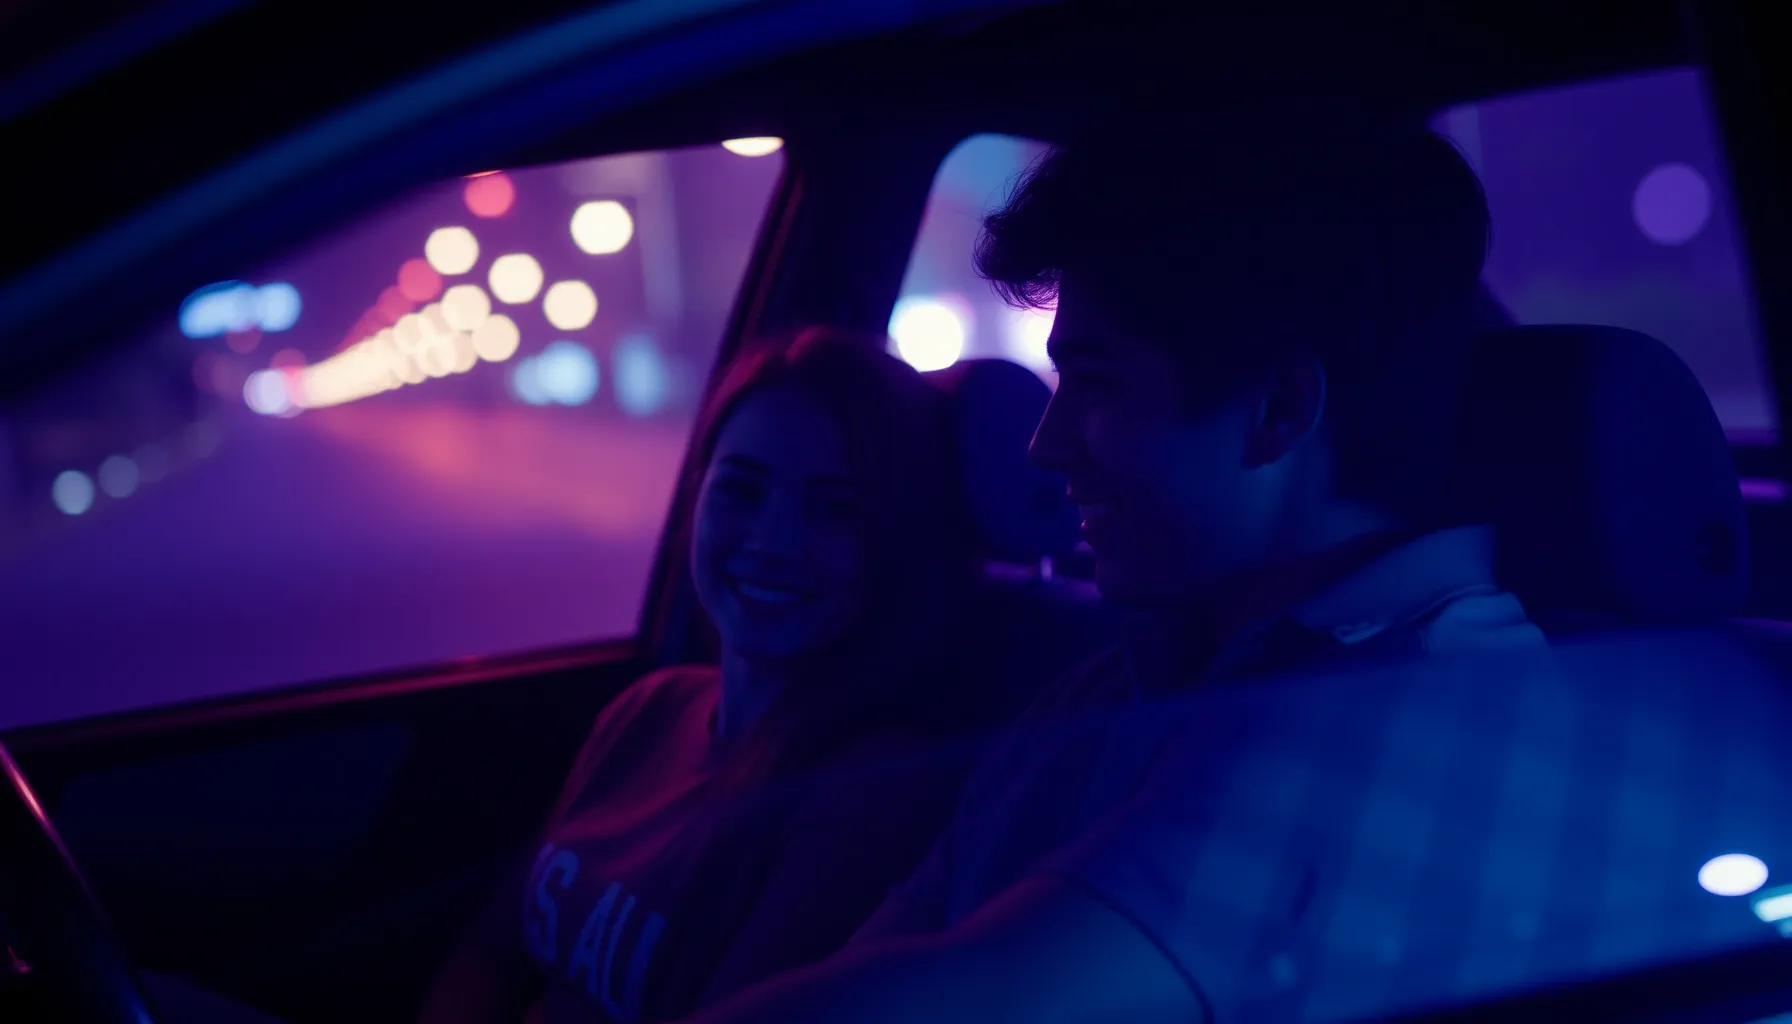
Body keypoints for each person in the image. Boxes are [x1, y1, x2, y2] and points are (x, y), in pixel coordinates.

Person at [676, 111, 1549, 1023]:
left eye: (1095, 384)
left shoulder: (1422, 717)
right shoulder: (1112, 683)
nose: (1045, 447)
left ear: (1279, 410)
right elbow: (897, 946)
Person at [408, 327, 983, 1023]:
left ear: (897, 539)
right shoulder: (649, 709)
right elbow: (491, 952)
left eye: (835, 508)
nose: (773, 542)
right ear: (698, 494)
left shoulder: (868, 788)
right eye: (742, 489)